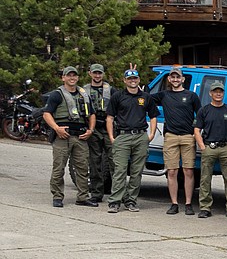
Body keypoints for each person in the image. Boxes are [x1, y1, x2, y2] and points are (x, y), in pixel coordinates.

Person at [43, 65, 97, 208]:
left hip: (80, 137)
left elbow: (92, 114)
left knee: (82, 168)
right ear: (63, 78)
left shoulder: (83, 94)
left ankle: (83, 197)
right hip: (62, 137)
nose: (72, 78)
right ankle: (57, 196)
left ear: (78, 77)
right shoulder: (57, 95)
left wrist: (91, 130)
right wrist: (56, 128)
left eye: (74, 75)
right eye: (69, 75)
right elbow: (46, 113)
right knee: (58, 168)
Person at [105, 67, 158, 213]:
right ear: (125, 80)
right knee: (120, 170)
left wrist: (151, 134)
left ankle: (131, 201)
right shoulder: (118, 96)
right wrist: (111, 137)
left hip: (141, 136)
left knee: (137, 171)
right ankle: (115, 201)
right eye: (129, 79)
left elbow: (153, 116)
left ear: (139, 80)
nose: (132, 81)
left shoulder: (146, 97)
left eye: (135, 78)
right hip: (123, 136)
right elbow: (109, 117)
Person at [157, 66, 200, 215]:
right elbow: (143, 99)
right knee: (172, 171)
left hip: (188, 137)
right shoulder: (163, 95)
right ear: (169, 79)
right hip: (170, 137)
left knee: (188, 171)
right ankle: (174, 203)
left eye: (178, 77)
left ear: (182, 79)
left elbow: (199, 115)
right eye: (173, 77)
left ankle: (188, 203)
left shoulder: (191, 96)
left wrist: (196, 132)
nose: (175, 80)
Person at [193, 79, 227, 219]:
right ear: (210, 93)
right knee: (205, 179)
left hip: (226, 148)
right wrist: (202, 146)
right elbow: (196, 130)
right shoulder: (204, 110)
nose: (218, 94)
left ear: (223, 93)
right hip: (209, 147)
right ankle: (205, 208)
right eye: (215, 92)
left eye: (220, 92)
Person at [84, 63, 113, 202]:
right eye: (95, 73)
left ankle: (118, 193)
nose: (97, 76)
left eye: (99, 73)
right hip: (92, 128)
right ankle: (96, 193)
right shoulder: (83, 91)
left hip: (109, 128)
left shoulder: (111, 90)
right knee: (94, 162)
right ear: (90, 73)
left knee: (115, 161)